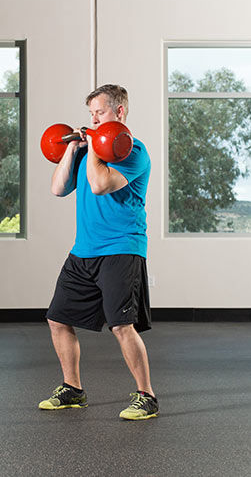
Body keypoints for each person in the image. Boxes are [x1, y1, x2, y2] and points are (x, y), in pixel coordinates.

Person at [39, 84, 159, 420]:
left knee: (122, 326)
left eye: (100, 113)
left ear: (119, 112)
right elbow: (58, 188)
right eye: (90, 114)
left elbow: (99, 183)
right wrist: (73, 148)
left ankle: (146, 396)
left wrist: (92, 146)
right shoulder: (85, 149)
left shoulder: (133, 151)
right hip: (84, 251)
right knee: (58, 319)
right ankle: (73, 388)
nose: (92, 120)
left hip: (122, 248)